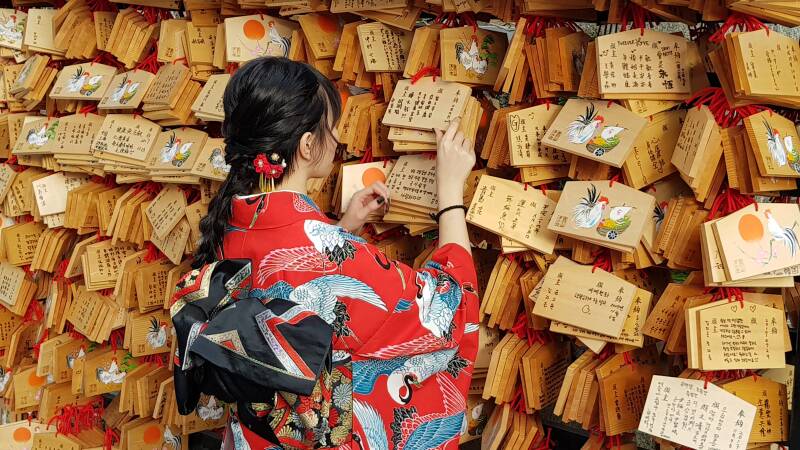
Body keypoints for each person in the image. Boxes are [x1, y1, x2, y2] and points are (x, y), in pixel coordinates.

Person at [195, 57, 479, 450]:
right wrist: (450, 191)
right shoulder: (330, 256)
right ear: (307, 145)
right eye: (330, 128)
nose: (336, 139)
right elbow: (450, 310)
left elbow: (292, 274)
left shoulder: (232, 222)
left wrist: (342, 229)